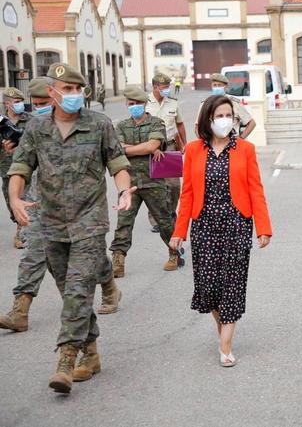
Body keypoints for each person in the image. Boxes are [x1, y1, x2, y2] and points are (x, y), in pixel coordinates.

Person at [7, 63, 135, 394]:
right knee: (70, 295)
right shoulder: (37, 129)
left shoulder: (99, 124)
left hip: (89, 222)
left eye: (79, 90)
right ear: (52, 93)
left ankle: (66, 360)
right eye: (67, 89)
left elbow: (118, 163)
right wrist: (16, 199)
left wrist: (123, 190)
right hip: (50, 224)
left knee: (78, 291)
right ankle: (91, 354)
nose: (74, 95)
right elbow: (20, 166)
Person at [170, 94, 272, 367]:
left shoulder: (245, 150)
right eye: (219, 116)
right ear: (208, 120)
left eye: (229, 116)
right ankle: (223, 325)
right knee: (208, 288)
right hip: (203, 227)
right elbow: (187, 193)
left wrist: (263, 227)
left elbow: (255, 190)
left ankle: (225, 344)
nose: (225, 121)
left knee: (232, 285)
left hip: (237, 225)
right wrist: (179, 231)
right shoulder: (193, 150)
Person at [109, 85, 180, 275]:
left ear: (145, 103)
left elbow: (152, 145)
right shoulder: (121, 126)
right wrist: (146, 148)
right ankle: (118, 260)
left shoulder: (157, 123)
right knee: (124, 222)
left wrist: (134, 148)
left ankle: (174, 253)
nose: (134, 106)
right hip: (129, 182)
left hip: (154, 181)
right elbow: (119, 148)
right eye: (130, 103)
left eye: (137, 103)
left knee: (164, 220)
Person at [145, 72, 186, 236]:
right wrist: (149, 147)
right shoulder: (145, 103)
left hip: (169, 147)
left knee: (174, 186)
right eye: (164, 87)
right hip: (150, 148)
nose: (167, 89)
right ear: (155, 87)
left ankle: (170, 213)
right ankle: (156, 219)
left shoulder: (173, 103)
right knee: (154, 186)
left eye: (168, 86)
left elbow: (180, 124)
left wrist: (184, 143)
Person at [1, 86, 31, 249]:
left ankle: (22, 231)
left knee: (25, 197)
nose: (21, 105)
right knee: (10, 200)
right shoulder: (1, 122)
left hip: (27, 169)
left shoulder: (30, 120)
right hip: (6, 169)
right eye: (17, 102)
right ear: (7, 104)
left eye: (21, 101)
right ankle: (18, 221)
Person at [194, 74, 255, 140]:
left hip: (232, 144)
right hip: (212, 144)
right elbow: (197, 127)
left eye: (219, 85)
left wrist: (240, 138)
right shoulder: (205, 104)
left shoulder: (234, 103)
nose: (217, 87)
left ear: (226, 87)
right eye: (214, 85)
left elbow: (252, 123)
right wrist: (203, 142)